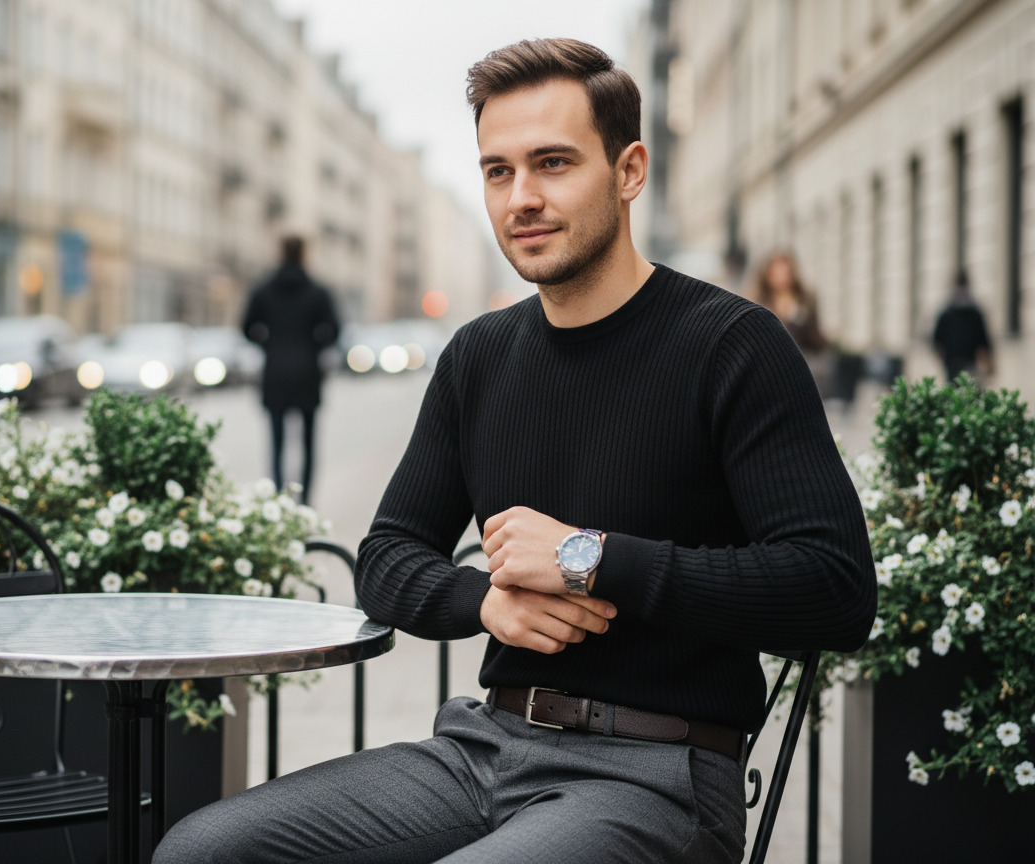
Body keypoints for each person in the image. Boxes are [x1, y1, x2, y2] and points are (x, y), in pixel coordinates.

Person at [156, 38, 875, 864]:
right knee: (201, 850)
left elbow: (835, 588)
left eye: (553, 163)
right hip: (484, 750)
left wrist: (586, 557)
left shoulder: (733, 345)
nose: (521, 198)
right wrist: (484, 604)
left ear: (630, 170)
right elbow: (386, 557)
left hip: (659, 775)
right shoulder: (479, 356)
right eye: (498, 171)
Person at [242, 236, 340, 504]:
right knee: (308, 443)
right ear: (304, 254)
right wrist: (313, 345)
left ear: (279, 252)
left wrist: (269, 343)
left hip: (275, 372)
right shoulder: (318, 291)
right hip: (308, 373)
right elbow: (334, 330)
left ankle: (278, 500)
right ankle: (305, 502)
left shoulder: (263, 289)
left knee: (277, 443)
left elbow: (247, 327)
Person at [750, 250, 830, 392]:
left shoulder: (806, 299)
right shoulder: (758, 301)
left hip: (800, 365)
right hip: (767, 369)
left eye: (786, 272)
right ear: (768, 274)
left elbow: (814, 335)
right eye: (778, 272)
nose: (782, 277)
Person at [933, 269, 993, 383]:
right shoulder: (949, 313)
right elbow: (937, 340)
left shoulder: (971, 313)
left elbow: (983, 341)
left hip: (966, 362)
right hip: (955, 362)